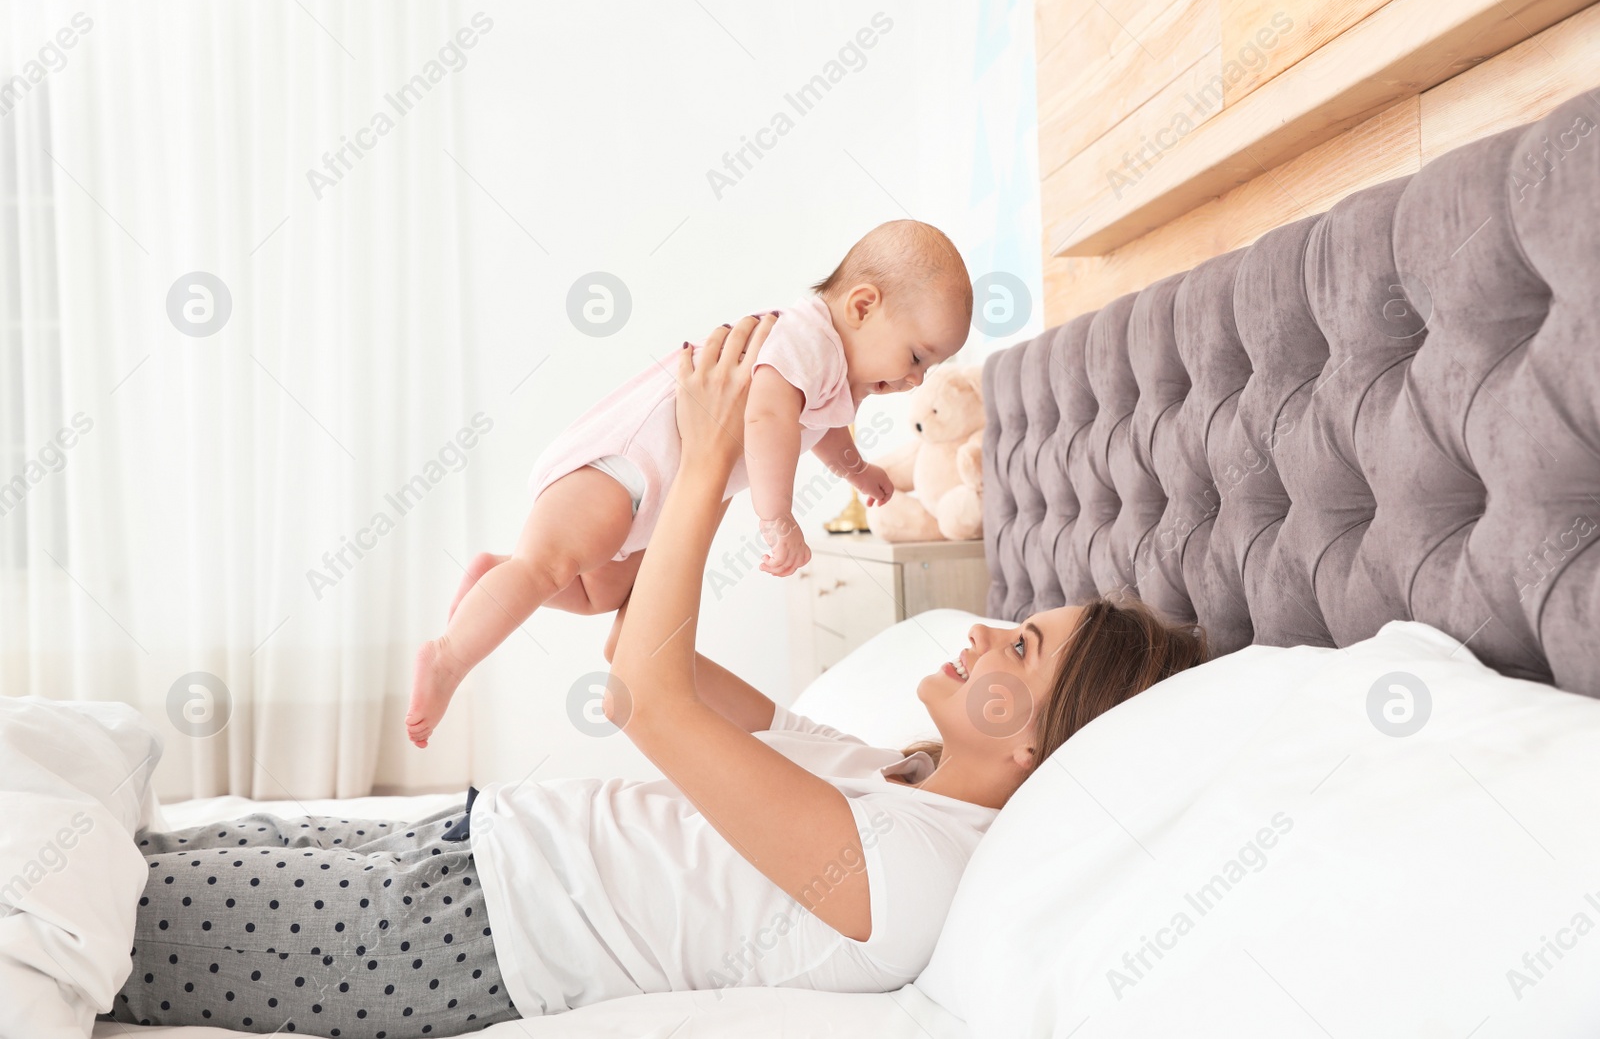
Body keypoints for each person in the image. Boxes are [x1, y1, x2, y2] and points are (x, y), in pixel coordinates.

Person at [109, 315, 1205, 1038]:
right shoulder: (894, 771)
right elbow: (661, 665)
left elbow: (644, 701)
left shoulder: (908, 871)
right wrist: (616, 584)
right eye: (1011, 623)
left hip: (470, 928)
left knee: (100, 913)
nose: (981, 636)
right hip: (478, 842)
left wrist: (715, 463)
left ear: (1036, 744)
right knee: (126, 857)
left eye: (1021, 648)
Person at [406, 220, 975, 748]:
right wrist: (776, 516)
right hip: (623, 466)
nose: (914, 379)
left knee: (597, 594)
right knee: (547, 568)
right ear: (863, 304)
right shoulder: (807, 338)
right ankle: (447, 658)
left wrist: (858, 470)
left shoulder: (830, 372)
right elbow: (769, 419)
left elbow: (821, 428)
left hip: (653, 502)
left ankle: (494, 576)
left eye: (927, 369)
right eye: (917, 355)